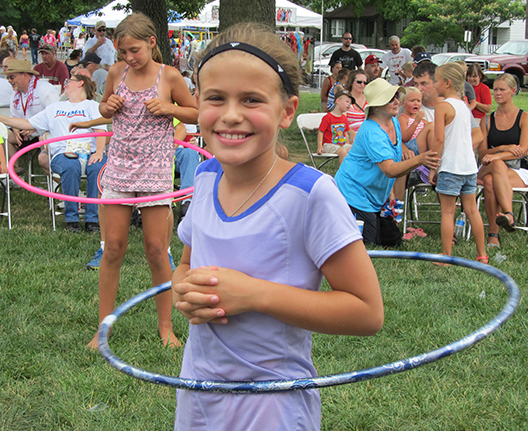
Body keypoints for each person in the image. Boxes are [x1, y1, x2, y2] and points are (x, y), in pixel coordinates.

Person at [172, 22, 383, 431]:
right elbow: (186, 264)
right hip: (198, 393)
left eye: (251, 99)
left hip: (272, 406)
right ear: (198, 103)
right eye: (216, 98)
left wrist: (254, 295)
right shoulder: (204, 178)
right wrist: (185, 289)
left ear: (286, 111)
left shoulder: (311, 194)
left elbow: (366, 312)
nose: (231, 115)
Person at [89, 13, 198, 350]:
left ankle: (165, 328)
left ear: (152, 43)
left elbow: (195, 113)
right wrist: (109, 104)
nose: (129, 58)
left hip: (155, 168)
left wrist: (168, 107)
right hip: (120, 166)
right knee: (113, 248)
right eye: (123, 52)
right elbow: (105, 109)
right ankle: (102, 329)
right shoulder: (116, 72)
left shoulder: (170, 76)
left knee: (156, 250)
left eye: (134, 50)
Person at [0, 74, 107, 233]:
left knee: (97, 167)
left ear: (80, 83)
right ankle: (72, 219)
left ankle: (92, 220)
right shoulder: (55, 108)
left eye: (68, 81)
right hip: (63, 152)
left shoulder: (93, 106)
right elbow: (27, 123)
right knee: (70, 167)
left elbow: (100, 130)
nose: (65, 84)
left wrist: (99, 151)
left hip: (91, 150)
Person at [335, 78, 440, 245]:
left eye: (396, 96)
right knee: (368, 244)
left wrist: (391, 194)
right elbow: (390, 169)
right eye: (390, 98)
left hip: (374, 197)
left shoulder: (394, 123)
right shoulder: (372, 131)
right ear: (377, 105)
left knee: (392, 241)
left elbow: (396, 160)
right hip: (354, 193)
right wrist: (421, 159)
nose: (397, 101)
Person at [428, 63, 487, 264]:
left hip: (451, 167)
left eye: (436, 80)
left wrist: (433, 166)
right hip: (469, 167)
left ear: (447, 82)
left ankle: (446, 255)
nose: (435, 85)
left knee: (447, 212)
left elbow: (438, 140)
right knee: (472, 210)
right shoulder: (464, 105)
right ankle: (482, 254)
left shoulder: (442, 107)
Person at [478, 74, 528, 248]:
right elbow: (482, 154)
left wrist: (497, 156)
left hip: (516, 170)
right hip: (488, 165)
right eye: (495, 89)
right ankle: (509, 214)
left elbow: (522, 151)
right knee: (495, 167)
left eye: (502, 89)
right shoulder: (486, 120)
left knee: (489, 181)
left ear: (513, 90)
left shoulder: (525, 117)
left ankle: (493, 235)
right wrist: (502, 149)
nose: (497, 93)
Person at [4, 60, 59, 175]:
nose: (9, 81)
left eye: (12, 77)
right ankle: (15, 170)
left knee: (43, 137)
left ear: (25, 75)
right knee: (2, 135)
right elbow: (13, 116)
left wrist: (36, 127)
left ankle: (54, 177)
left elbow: (54, 115)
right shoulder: (15, 94)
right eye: (8, 78)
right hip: (25, 133)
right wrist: (15, 130)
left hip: (43, 131)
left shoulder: (45, 89)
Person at [318, 88, 353, 164]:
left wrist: (347, 144)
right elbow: (321, 132)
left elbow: (345, 133)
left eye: (350, 103)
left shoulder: (344, 118)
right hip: (328, 145)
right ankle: (342, 174)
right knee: (343, 151)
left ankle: (350, 171)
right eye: (347, 102)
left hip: (341, 144)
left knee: (353, 149)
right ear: (338, 101)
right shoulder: (327, 118)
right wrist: (320, 146)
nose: (349, 104)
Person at [345, 69, 368, 135]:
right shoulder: (345, 99)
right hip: (352, 136)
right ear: (351, 82)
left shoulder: (369, 99)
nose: (362, 85)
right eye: (359, 82)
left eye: (365, 83)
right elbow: (342, 122)